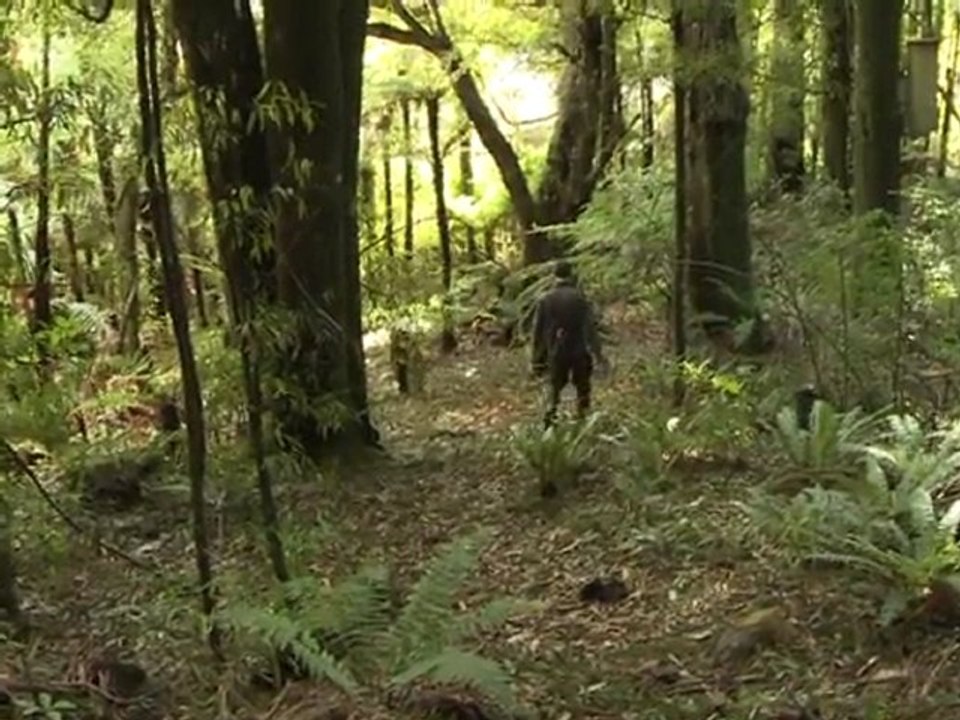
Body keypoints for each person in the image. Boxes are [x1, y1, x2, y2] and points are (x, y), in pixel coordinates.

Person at [531, 260, 607, 427]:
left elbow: (538, 332)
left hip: (556, 350)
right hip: (579, 350)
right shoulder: (581, 299)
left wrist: (536, 360)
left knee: (555, 390)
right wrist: (599, 355)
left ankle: (550, 424)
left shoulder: (545, 300)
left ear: (554, 276)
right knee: (583, 389)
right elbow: (590, 330)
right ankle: (583, 422)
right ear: (571, 274)